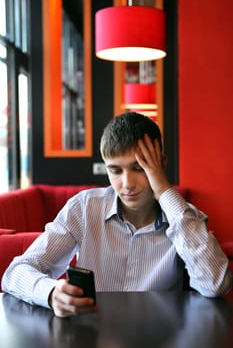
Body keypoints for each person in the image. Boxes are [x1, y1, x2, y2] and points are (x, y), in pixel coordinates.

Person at [2, 112, 232, 317]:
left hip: (160, 337)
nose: (127, 184)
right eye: (115, 170)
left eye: (139, 168)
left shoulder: (185, 218)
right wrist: (50, 293)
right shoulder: (84, 208)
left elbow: (216, 284)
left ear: (161, 164)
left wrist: (163, 190)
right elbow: (16, 272)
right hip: (93, 336)